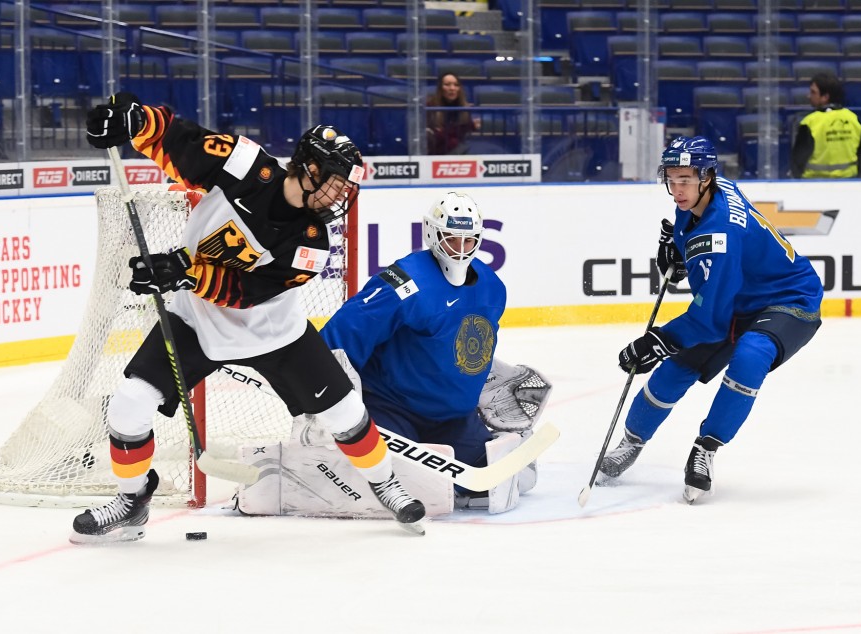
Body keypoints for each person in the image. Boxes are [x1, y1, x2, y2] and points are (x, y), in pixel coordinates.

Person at [70, 92, 425, 543]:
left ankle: (384, 482)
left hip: (274, 333)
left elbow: (245, 293)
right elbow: (179, 140)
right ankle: (132, 500)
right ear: (310, 169)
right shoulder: (242, 164)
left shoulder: (312, 243)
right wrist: (136, 119)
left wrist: (179, 271)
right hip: (197, 321)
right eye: (337, 183)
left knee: (345, 412)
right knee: (128, 406)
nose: (342, 196)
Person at [231, 192, 552, 517]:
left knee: (501, 480)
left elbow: (465, 341)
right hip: (392, 410)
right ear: (431, 233)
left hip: (453, 418)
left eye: (468, 241)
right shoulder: (406, 282)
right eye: (451, 238)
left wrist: (488, 380)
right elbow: (344, 333)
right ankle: (295, 476)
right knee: (401, 485)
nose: (459, 248)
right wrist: (322, 398)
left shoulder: (493, 287)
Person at [598, 136, 823, 503]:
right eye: (671, 179)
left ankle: (707, 447)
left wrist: (659, 339)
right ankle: (632, 440)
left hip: (788, 298)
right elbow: (702, 254)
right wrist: (680, 251)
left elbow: (709, 318)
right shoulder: (714, 191)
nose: (677, 189)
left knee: (750, 355)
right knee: (674, 371)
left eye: (686, 179)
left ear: (707, 176)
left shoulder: (720, 233)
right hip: (739, 296)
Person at [791, 72, 861, 179]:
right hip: (848, 183)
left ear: (825, 97)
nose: (808, 96)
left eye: (813, 92)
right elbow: (859, 155)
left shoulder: (810, 122)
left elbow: (798, 161)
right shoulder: (853, 119)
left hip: (814, 185)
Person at [426, 73, 481, 155]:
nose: (452, 88)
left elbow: (461, 133)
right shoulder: (430, 106)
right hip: (435, 153)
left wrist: (471, 125)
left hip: (456, 151)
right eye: (447, 85)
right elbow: (435, 135)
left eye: (456, 85)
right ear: (440, 88)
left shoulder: (464, 108)